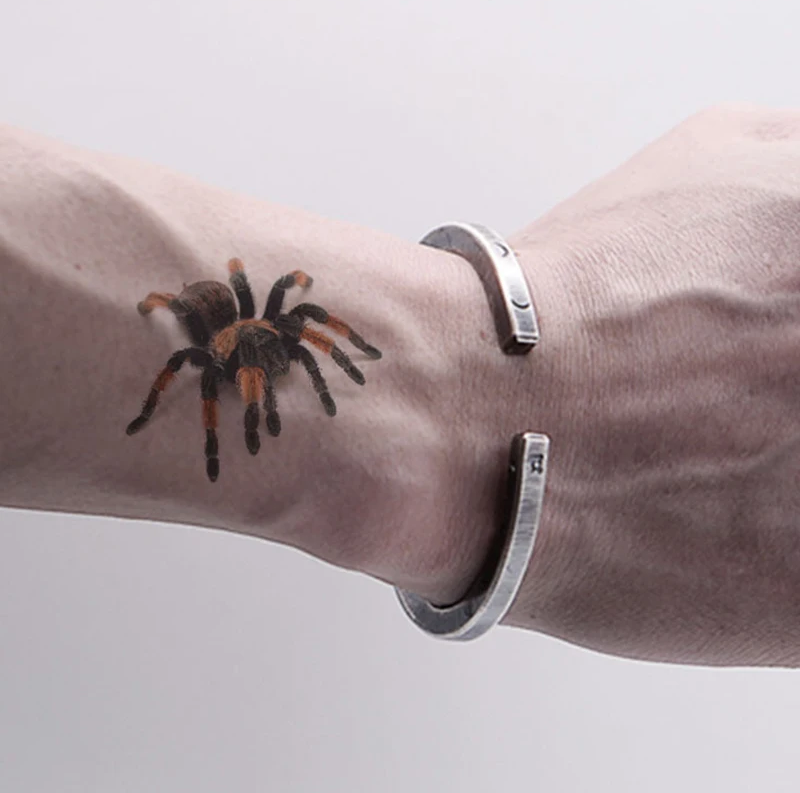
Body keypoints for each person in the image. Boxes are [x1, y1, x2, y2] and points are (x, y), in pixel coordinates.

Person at [2, 104, 800, 668]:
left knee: (294, 317)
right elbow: (199, 352)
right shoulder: (211, 357)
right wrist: (453, 388)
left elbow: (300, 311)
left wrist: (396, 377)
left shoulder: (282, 324)